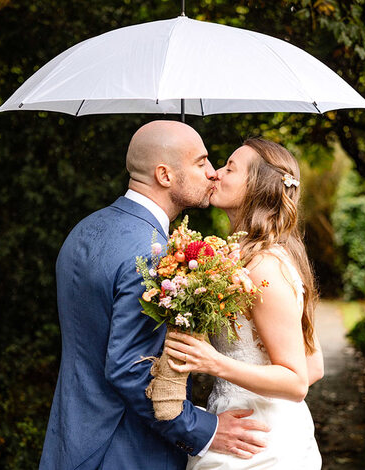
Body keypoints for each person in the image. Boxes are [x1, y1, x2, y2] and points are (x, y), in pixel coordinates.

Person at [39, 121, 269, 470]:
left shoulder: (84, 230)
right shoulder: (152, 254)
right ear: (164, 175)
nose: (212, 173)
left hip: (70, 440)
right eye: (200, 162)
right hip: (127, 450)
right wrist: (203, 430)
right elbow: (131, 369)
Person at [164, 137, 324, 469]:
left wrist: (215, 363)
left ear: (256, 186)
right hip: (245, 425)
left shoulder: (265, 265)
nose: (216, 174)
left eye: (230, 167)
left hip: (261, 444)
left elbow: (297, 381)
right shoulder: (241, 258)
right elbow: (314, 365)